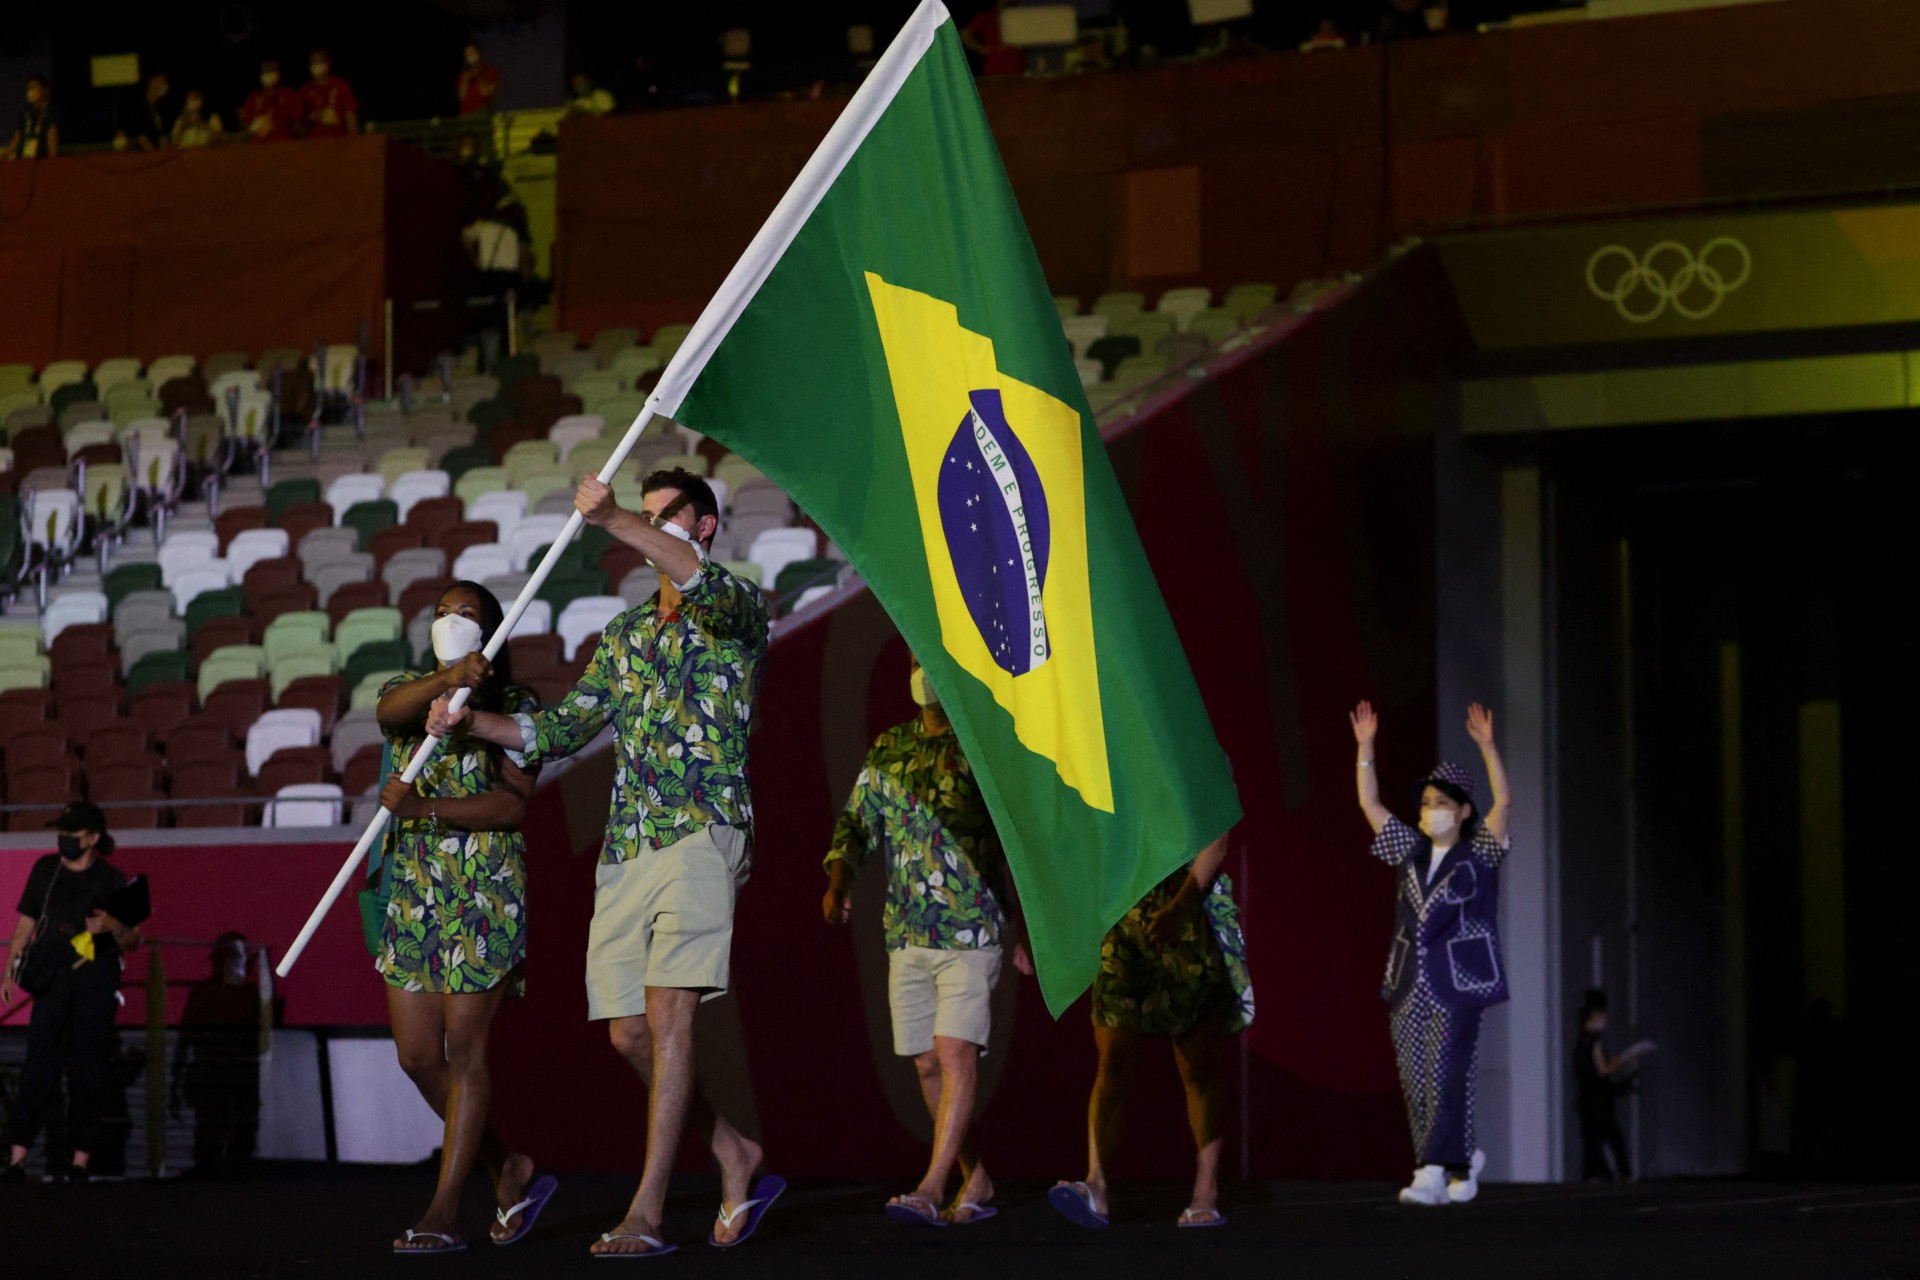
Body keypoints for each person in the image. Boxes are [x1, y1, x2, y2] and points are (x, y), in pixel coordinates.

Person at [432, 468, 778, 1258]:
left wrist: (616, 515)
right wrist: (470, 722)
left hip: (702, 826)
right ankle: (732, 1150)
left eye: (666, 518)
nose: (651, 530)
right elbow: (557, 733)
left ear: (705, 525)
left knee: (668, 1015)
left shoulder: (731, 608)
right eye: (647, 517)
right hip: (627, 843)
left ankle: (647, 1211)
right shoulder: (623, 637)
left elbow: (694, 576)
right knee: (628, 1035)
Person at [373, 581, 556, 1253]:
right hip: (413, 890)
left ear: (493, 631)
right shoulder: (409, 691)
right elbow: (388, 710)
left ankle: (444, 1209)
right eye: (443, 614)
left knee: (464, 1049)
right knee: (418, 1055)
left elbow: (511, 806)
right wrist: (445, 679)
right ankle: (506, 1165)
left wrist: (423, 809)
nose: (451, 622)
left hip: (483, 891)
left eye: (467, 615)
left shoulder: (516, 707)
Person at [823, 653, 1032, 1227]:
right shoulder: (891, 747)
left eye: (932, 660)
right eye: (915, 660)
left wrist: (1026, 926)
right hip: (907, 929)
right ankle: (976, 1175)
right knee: (925, 1065)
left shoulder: (983, 746)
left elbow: (1022, 837)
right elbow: (857, 821)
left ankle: (931, 1184)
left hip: (971, 925)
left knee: (955, 1052)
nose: (923, 671)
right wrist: (840, 877)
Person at [1349, 700, 1511, 1206]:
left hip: (1460, 983)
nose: (1429, 811)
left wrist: (1487, 747)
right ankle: (1459, 1162)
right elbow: (1370, 806)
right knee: (1417, 1079)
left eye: (1441, 803)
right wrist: (1366, 748)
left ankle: (1431, 1169)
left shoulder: (1478, 853)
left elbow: (1504, 804)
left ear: (1462, 811)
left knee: (1446, 1075)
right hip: (1408, 980)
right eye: (1425, 803)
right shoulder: (1411, 851)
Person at [1050, 834, 1254, 1230]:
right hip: (1122, 922)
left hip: (1186, 914)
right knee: (1112, 1057)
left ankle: (1205, 1192)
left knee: (1197, 1066)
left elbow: (1217, 838)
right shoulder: (1114, 772)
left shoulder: (1200, 768)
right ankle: (1096, 1185)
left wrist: (1183, 907)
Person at [0, 803, 142, 1182]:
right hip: (52, 974)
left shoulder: (113, 879)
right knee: (38, 1063)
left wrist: (112, 924)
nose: (64, 840)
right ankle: (17, 1158)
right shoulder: (45, 869)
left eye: (73, 835)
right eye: (61, 833)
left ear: (94, 838)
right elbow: (25, 922)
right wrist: (11, 966)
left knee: (88, 1065)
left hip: (96, 976)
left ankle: (79, 1161)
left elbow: (133, 940)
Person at [170, 932, 263, 1175]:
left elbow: (183, 1040)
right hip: (215, 1077)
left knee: (235, 1142)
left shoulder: (252, 994)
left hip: (236, 1079)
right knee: (211, 1140)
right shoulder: (209, 993)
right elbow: (184, 1039)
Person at [1574, 989, 1653, 1182]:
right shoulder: (1594, 1042)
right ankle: (1621, 1175)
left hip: (1587, 1100)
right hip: (1599, 1102)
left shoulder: (1581, 1042)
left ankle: (1596, 1176)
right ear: (1594, 1015)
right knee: (1614, 1140)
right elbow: (1604, 1070)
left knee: (1593, 1143)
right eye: (1603, 1015)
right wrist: (1629, 1056)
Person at [241, 60, 303, 142]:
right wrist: (252, 128)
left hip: (284, 143)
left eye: (272, 71)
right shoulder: (253, 97)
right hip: (259, 145)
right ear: (261, 76)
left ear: (278, 74)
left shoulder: (289, 94)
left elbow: (299, 122)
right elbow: (245, 124)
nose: (269, 75)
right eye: (266, 72)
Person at [962, 0, 1028, 77]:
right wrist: (981, 49)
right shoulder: (988, 17)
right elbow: (964, 35)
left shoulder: (1021, 16)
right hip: (995, 69)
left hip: (1018, 69)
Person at [301, 50, 358, 138]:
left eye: (321, 61)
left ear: (328, 63)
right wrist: (313, 117)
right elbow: (300, 121)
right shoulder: (305, 90)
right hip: (315, 141)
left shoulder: (340, 85)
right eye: (314, 62)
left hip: (339, 139)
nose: (318, 65)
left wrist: (354, 138)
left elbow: (350, 113)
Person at [6, 76, 58, 160]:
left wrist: (51, 162)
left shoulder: (51, 112)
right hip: (21, 162)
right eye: (28, 88)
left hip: (40, 162)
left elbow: (52, 138)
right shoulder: (25, 113)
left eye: (34, 87)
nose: (30, 91)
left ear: (44, 90)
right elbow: (17, 137)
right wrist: (4, 157)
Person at [457, 42, 500, 117]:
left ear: (478, 53)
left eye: (472, 52)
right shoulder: (464, 74)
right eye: (468, 54)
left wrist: (479, 75)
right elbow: (462, 97)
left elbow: (486, 92)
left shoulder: (489, 70)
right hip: (465, 114)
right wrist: (466, 78)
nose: (470, 56)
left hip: (482, 112)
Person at [134, 72, 172, 150]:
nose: (164, 86)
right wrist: (154, 154)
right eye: (161, 82)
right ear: (152, 83)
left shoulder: (159, 108)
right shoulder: (140, 108)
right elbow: (141, 136)